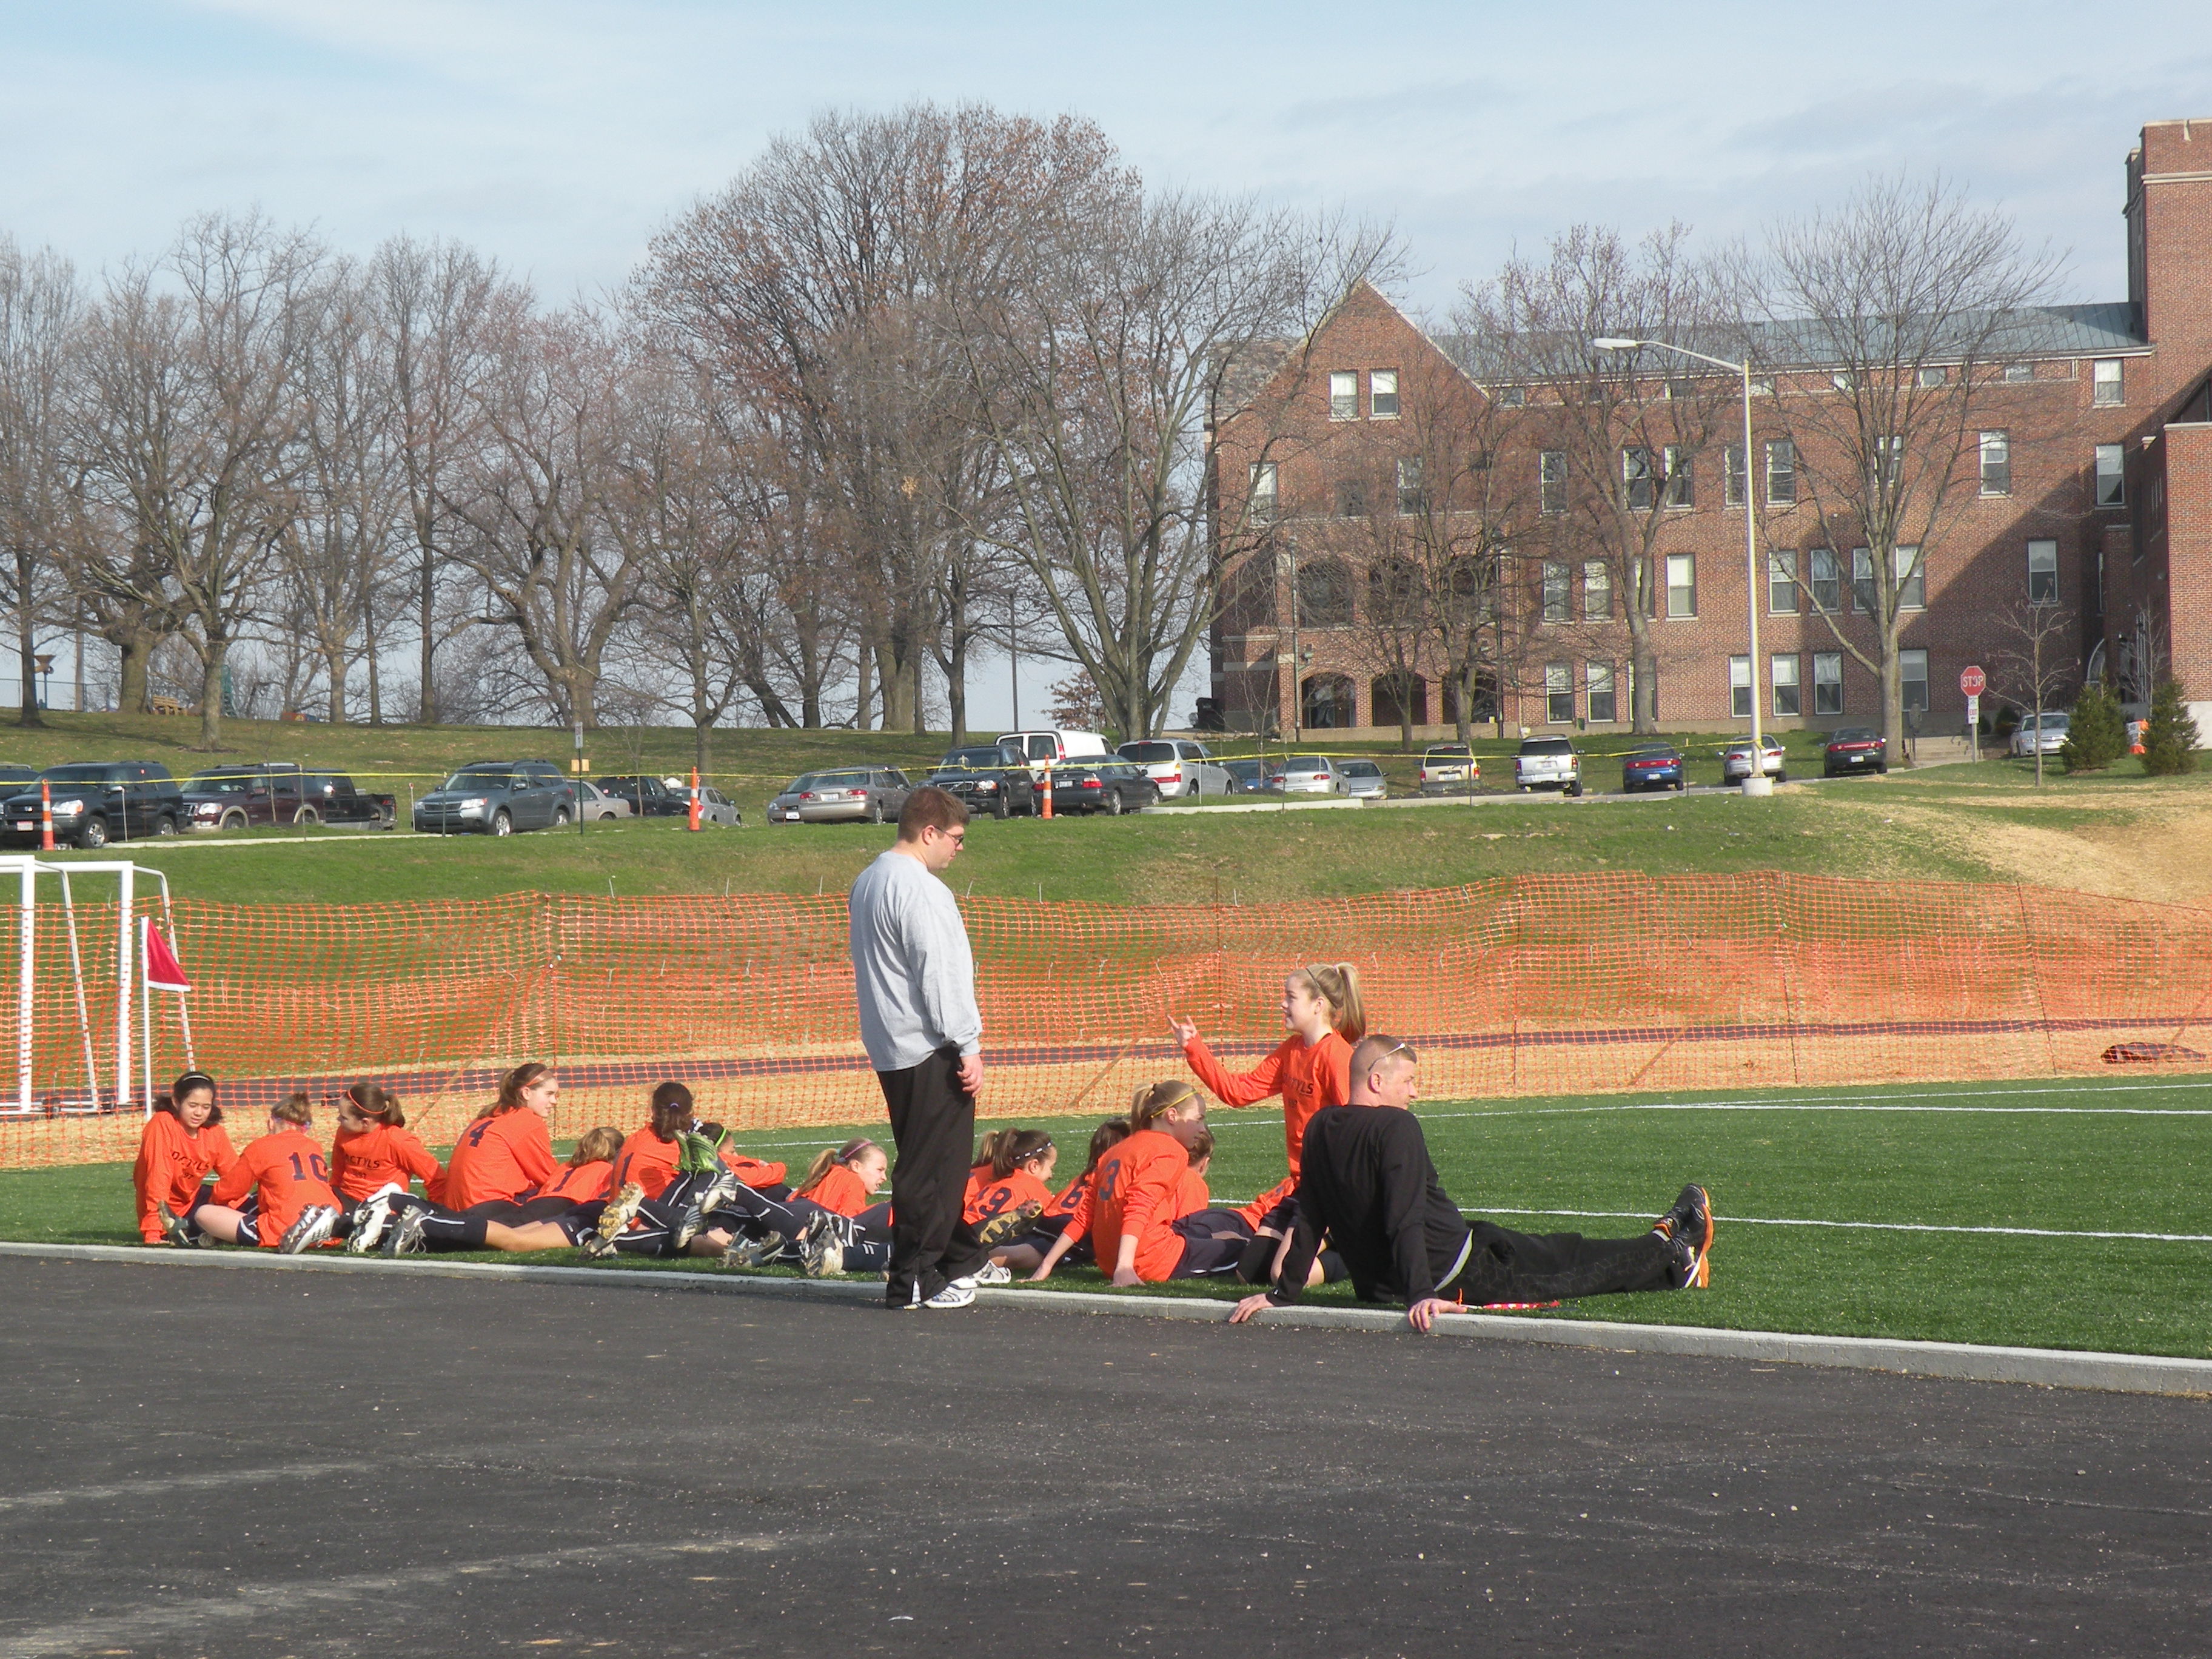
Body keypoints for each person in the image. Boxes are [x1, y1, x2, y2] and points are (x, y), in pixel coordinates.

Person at [1228, 1037, 1715, 1332]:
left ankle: (1664, 1248)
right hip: (1460, 1274)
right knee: (1572, 1271)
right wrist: (1420, 1294)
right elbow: (1403, 1218)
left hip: (1431, 1263)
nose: (1415, 1092)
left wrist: (1282, 1294)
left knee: (1564, 1249)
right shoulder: (1396, 1127)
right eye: (1409, 1081)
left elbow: (1311, 1214)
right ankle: (1674, 1256)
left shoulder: (1320, 1128)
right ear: (1376, 1081)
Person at [848, 784, 991, 1311]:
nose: (959, 847)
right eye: (954, 837)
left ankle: (962, 1259)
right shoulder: (923, 890)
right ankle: (914, 1276)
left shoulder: (869, 880)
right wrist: (967, 1043)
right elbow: (940, 975)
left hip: (891, 1045)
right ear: (928, 832)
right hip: (928, 1045)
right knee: (935, 1171)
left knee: (931, 1162)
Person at [1170, 962, 1362, 1222]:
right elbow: (1237, 1092)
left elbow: (1356, 1128)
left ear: (1318, 1005)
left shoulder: (1336, 1055)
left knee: (1252, 1237)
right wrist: (1194, 1047)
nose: (1283, 1004)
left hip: (1327, 1188)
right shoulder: (1292, 1050)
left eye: (1291, 998)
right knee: (1243, 1226)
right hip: (1303, 1183)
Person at [1033, 1082, 1212, 1286]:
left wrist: (1046, 1264)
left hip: (1108, 1264)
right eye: (1199, 1120)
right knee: (1237, 1247)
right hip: (1150, 1262)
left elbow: (1084, 1216)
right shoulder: (1172, 1150)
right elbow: (1139, 1205)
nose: (1202, 1129)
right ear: (1172, 1116)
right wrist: (1125, 1267)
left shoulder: (1115, 1151)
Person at [370, 1126, 625, 1257]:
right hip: (561, 1207)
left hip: (541, 1203)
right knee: (494, 1239)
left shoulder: (568, 1165)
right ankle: (404, 1205)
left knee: (475, 1226)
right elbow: (604, 1200)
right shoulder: (605, 1170)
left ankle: (389, 1219)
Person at [180, 1092, 345, 1254]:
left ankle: (213, 1234)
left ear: (271, 1122)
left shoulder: (262, 1146)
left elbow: (228, 1191)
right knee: (257, 1199)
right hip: (329, 1221)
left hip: (285, 1227)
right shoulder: (314, 1146)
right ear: (305, 1129)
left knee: (204, 1213)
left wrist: (214, 1200)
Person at [988, 1118, 1128, 1279]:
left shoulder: (1082, 1177)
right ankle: (969, 1263)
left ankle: (968, 1255)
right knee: (1014, 1257)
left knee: (1010, 1248)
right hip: (1069, 1229)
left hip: (1045, 1221)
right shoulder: (1111, 1176)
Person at [134, 1071, 236, 1246]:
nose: (199, 1113)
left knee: (251, 1204)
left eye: (206, 1107)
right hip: (167, 1215)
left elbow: (235, 1177)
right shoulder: (162, 1124)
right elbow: (158, 1177)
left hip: (195, 1203)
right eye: (192, 1105)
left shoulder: (214, 1132)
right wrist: (153, 1232)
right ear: (176, 1102)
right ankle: (198, 1233)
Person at [329, 1084, 444, 1212]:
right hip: (345, 1201)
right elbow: (337, 1176)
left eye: (344, 1117)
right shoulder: (344, 1132)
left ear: (365, 1122)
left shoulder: (398, 1141)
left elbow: (436, 1178)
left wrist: (437, 1212)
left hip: (382, 1209)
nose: (338, 1119)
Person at [965, 1129, 1056, 1245]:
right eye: (1051, 1168)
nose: (1051, 1175)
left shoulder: (999, 1181)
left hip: (955, 1232)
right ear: (1034, 1165)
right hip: (971, 1243)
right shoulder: (1034, 1188)